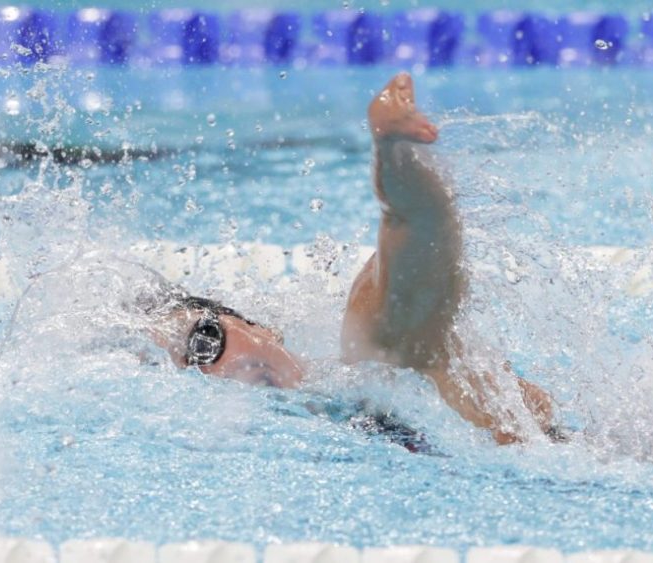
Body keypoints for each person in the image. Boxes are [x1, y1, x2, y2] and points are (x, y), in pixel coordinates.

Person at [137, 72, 555, 446]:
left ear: (260, 328)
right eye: (187, 375)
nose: (208, 373)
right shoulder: (300, 440)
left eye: (204, 340)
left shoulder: (373, 366)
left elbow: (416, 236)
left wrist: (394, 153)